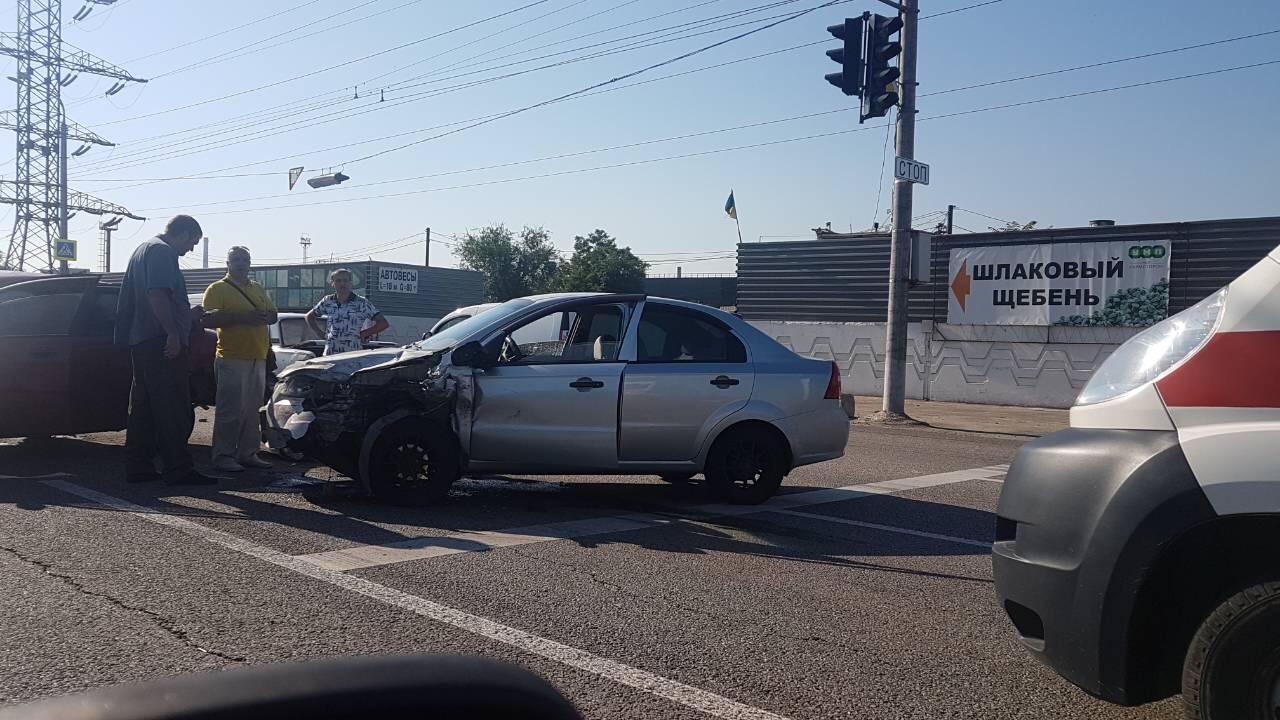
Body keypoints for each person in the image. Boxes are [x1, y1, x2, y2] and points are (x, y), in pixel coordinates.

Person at [114, 215, 216, 486]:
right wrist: (172, 333)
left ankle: (139, 467)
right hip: (160, 341)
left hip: (143, 340)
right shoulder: (162, 251)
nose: (191, 249)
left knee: (144, 408)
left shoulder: (143, 248)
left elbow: (156, 297)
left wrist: (186, 316)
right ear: (182, 233)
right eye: (192, 242)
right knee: (173, 407)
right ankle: (178, 469)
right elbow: (157, 295)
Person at [201, 246, 278, 472]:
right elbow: (207, 320)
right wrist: (245, 317)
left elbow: (273, 313)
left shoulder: (257, 288)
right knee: (230, 410)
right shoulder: (217, 289)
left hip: (258, 356)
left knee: (253, 410)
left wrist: (266, 316)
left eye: (245, 259)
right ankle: (223, 455)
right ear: (228, 263)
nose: (241, 263)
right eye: (236, 260)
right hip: (231, 356)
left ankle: (248, 452)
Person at [305, 268, 390, 356]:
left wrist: (364, 334)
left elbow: (383, 323)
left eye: (345, 280)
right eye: (338, 281)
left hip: (352, 355)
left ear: (350, 282)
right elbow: (309, 316)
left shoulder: (362, 303)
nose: (342, 283)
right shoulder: (328, 301)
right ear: (332, 283)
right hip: (330, 353)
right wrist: (320, 333)